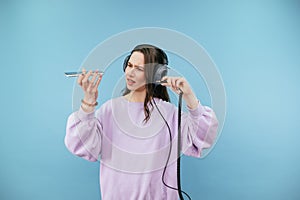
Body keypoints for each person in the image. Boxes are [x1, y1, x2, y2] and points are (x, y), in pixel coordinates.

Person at [65, 44, 218, 200]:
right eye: (129, 65)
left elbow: (203, 137)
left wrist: (189, 97)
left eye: (138, 69)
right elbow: (83, 145)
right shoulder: (109, 110)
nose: (130, 72)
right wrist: (88, 102)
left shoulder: (169, 113)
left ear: (155, 75)